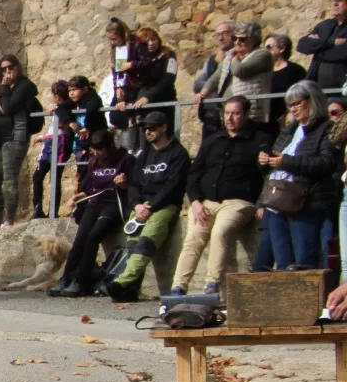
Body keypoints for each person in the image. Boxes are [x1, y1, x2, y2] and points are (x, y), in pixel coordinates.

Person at [170, 96, 269, 297]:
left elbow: (267, 175)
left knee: (220, 232)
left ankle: (211, 285)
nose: (230, 118)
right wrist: (195, 201)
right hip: (206, 201)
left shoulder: (259, 140)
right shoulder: (212, 141)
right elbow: (194, 174)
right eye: (227, 113)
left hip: (238, 202)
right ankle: (177, 287)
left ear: (246, 114)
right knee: (193, 238)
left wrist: (263, 203)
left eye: (236, 113)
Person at [105, 110, 189, 302]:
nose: (148, 132)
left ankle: (122, 282)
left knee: (146, 242)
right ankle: (130, 288)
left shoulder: (178, 153)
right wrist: (136, 205)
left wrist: (150, 207)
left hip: (164, 206)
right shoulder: (144, 155)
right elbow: (134, 183)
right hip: (141, 206)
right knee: (132, 243)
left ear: (164, 127)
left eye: (152, 128)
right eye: (145, 128)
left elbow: (173, 186)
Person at [259, 81, 344, 270]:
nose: (294, 109)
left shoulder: (326, 129)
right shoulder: (289, 130)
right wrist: (265, 160)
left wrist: (286, 161)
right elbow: (275, 163)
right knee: (283, 263)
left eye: (298, 103)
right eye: (290, 105)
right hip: (277, 202)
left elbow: (325, 163)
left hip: (306, 202)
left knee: (304, 262)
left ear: (312, 101)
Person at [51, 129, 128, 297]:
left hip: (114, 203)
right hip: (95, 202)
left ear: (109, 147)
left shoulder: (125, 159)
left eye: (100, 149)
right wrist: (77, 197)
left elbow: (133, 186)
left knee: (93, 237)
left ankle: (82, 280)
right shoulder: (93, 161)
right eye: (94, 149)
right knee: (81, 238)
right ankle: (67, 277)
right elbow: (90, 189)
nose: (97, 153)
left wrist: (123, 184)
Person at [0, 54, 39, 229]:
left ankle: (9, 220)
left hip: (15, 137)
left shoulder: (25, 86)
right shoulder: (2, 91)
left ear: (17, 67)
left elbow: (9, 108)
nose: (7, 72)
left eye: (10, 67)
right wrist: (2, 98)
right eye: (3, 69)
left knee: (9, 180)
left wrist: (4, 89)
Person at [197, 21, 272, 138]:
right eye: (234, 38)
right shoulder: (230, 55)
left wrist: (235, 60)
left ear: (253, 39)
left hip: (251, 113)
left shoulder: (262, 55)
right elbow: (216, 76)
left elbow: (240, 71)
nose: (237, 42)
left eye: (242, 39)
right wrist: (202, 93)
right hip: (228, 113)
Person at [31, 79, 72, 219]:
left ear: (58, 96)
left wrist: (57, 109)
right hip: (49, 143)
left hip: (61, 143)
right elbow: (53, 129)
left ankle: (53, 212)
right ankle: (37, 209)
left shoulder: (66, 108)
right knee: (37, 175)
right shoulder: (57, 108)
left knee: (55, 177)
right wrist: (43, 137)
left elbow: (65, 126)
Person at [296, 0, 347, 93]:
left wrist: (317, 50)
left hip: (341, 89)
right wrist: (331, 42)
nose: (335, 3)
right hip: (318, 89)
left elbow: (341, 53)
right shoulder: (325, 25)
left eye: (340, 0)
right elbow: (302, 45)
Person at [266, 34, 308, 135]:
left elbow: (303, 93)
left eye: (269, 47)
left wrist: (289, 112)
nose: (265, 51)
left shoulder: (295, 70)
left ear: (282, 48)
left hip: (288, 119)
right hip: (268, 120)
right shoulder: (263, 72)